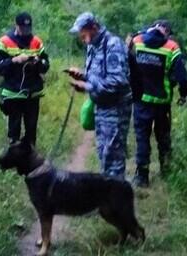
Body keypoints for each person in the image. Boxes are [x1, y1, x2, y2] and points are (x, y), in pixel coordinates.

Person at [128, 20, 187, 187]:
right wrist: (184, 94)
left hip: (141, 99)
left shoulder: (137, 41)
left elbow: (126, 63)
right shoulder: (172, 47)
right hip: (162, 102)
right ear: (167, 32)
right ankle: (167, 171)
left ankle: (142, 177)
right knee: (163, 136)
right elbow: (182, 76)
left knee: (142, 137)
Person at [66, 12, 132, 178]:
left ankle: (118, 198)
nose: (80, 36)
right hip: (101, 107)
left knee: (114, 156)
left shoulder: (112, 44)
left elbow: (117, 81)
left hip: (116, 109)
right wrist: (82, 77)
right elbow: (95, 76)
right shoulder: (91, 46)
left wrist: (88, 85)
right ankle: (108, 196)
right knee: (104, 154)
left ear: (93, 28)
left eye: (82, 31)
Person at [0, 12, 50, 146]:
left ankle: (31, 161)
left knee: (31, 131)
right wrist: (14, 60)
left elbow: (46, 65)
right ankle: (14, 158)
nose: (26, 31)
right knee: (14, 132)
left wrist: (38, 62)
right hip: (13, 93)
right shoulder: (4, 42)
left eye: (28, 28)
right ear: (16, 25)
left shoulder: (36, 42)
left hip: (32, 93)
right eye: (23, 28)